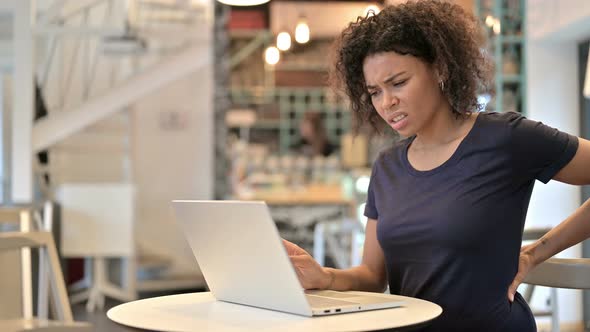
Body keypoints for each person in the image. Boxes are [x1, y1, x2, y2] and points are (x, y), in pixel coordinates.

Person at [282, 1, 590, 331]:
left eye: (398, 82)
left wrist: (537, 251)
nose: (387, 102)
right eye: (375, 92)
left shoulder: (506, 139)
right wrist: (325, 276)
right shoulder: (387, 167)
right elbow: (372, 277)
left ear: (440, 69)